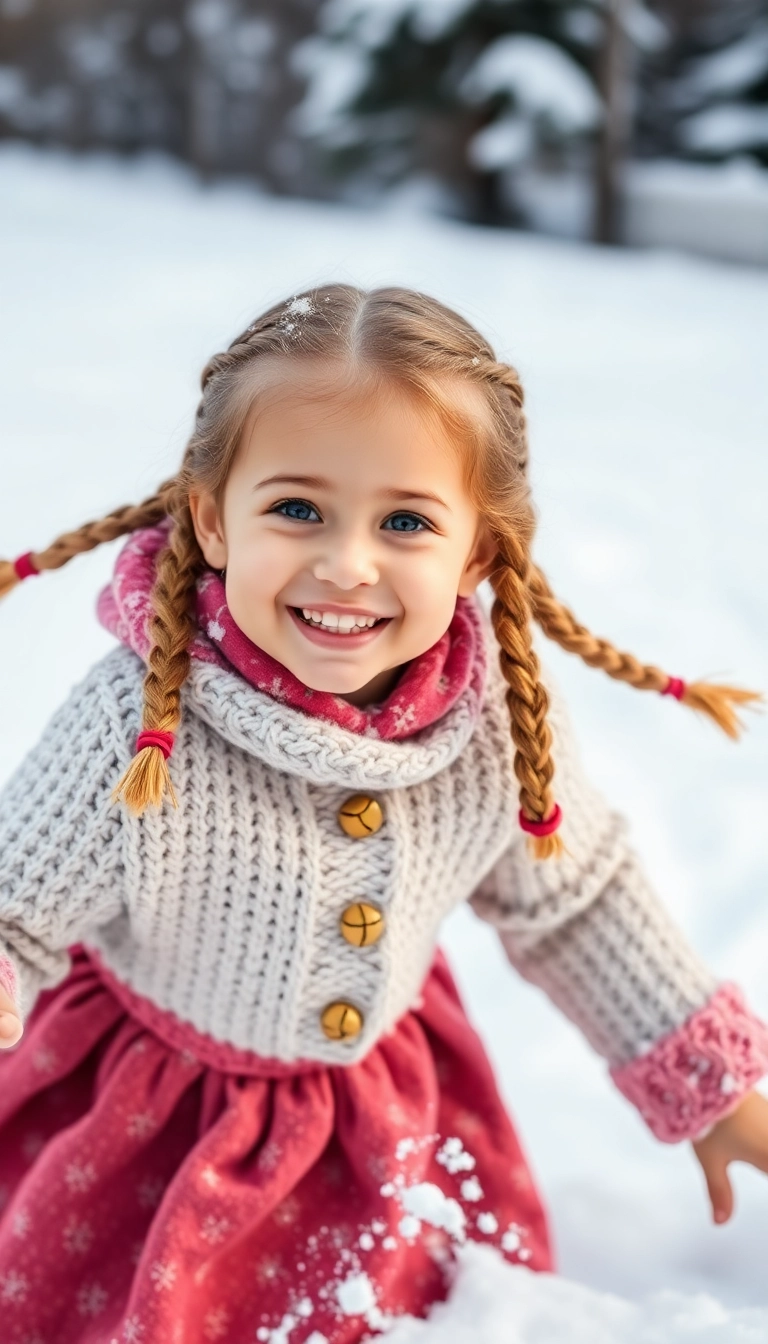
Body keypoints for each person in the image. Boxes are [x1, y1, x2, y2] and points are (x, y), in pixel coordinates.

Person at [0, 284, 766, 1344]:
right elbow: (15, 906)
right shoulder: (145, 720)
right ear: (214, 517)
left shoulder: (493, 725)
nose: (347, 563)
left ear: (479, 554)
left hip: (385, 1119)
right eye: (297, 509)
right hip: (150, 1127)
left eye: (406, 521)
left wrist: (713, 1087)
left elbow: (577, 904)